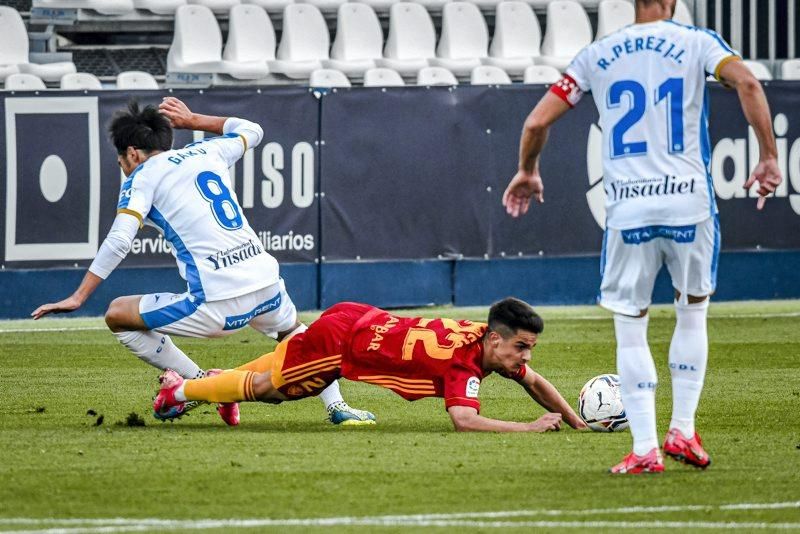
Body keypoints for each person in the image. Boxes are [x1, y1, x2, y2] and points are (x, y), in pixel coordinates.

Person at [503, 0, 782, 472]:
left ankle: (645, 448)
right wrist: (769, 156)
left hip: (629, 209)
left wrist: (527, 170)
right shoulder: (698, 43)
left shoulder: (599, 53)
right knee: (692, 314)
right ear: (672, 2)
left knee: (631, 327)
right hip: (689, 202)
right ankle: (684, 432)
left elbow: (535, 121)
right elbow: (749, 82)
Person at [31, 97, 375, 426]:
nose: (122, 166)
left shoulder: (142, 177)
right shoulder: (206, 150)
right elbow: (252, 129)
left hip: (216, 303)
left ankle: (201, 386)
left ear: (132, 153)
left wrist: (78, 296)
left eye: (121, 159)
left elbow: (120, 239)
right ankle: (338, 406)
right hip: (267, 283)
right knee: (297, 336)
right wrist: (193, 120)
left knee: (118, 315)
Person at [154, 298, 588, 433]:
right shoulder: (465, 364)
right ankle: (180, 390)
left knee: (285, 366)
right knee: (273, 389)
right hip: (341, 344)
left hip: (360, 318)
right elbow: (464, 420)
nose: (526, 357)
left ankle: (219, 385)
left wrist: (577, 424)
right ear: (496, 338)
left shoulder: (484, 338)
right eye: (523, 347)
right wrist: (527, 428)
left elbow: (534, 382)